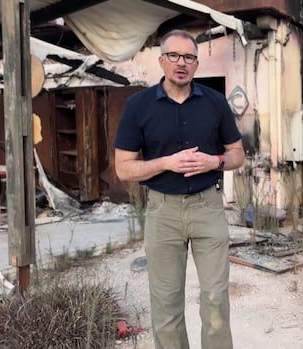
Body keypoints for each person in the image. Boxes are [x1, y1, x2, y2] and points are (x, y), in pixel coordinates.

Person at [114, 29, 244, 349]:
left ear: (197, 64)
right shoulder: (138, 106)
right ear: (161, 60)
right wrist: (166, 163)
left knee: (215, 299)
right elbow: (123, 168)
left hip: (208, 207)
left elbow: (238, 155)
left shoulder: (215, 103)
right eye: (173, 56)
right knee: (166, 304)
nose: (181, 63)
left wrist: (214, 161)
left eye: (188, 57)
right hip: (163, 210)